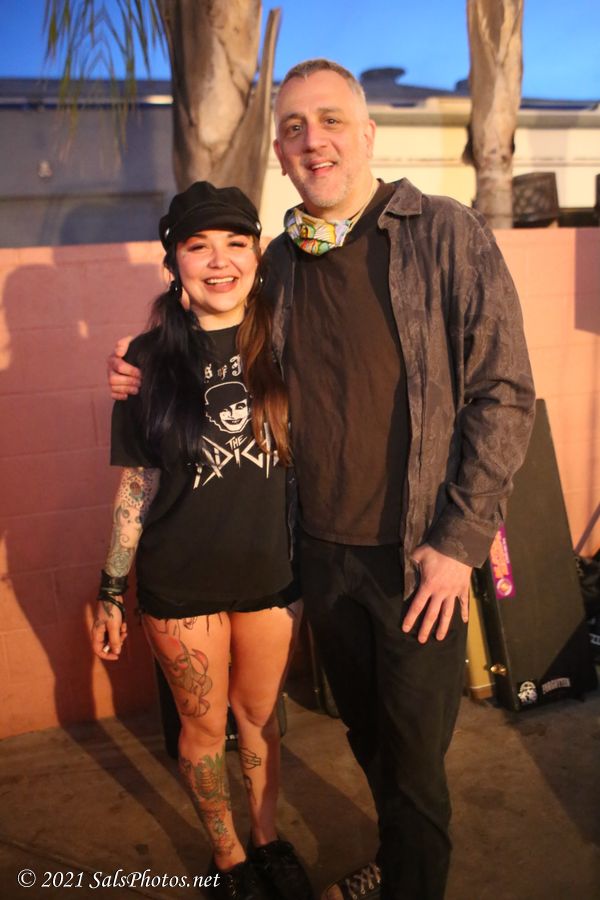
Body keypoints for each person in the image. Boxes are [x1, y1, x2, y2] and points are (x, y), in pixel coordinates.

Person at [108, 61, 535, 900]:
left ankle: (411, 879)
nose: (315, 140)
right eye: (295, 127)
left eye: (332, 120)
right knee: (366, 736)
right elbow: (213, 325)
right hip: (319, 555)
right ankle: (399, 859)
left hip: (419, 557)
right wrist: (139, 359)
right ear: (279, 151)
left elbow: (505, 392)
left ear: (367, 133)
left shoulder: (443, 233)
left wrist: (459, 543)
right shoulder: (282, 263)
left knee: (416, 761)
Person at [93, 181, 314, 900]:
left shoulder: (290, 341)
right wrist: (110, 590)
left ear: (257, 255)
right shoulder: (145, 361)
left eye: (235, 243)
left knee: (260, 721)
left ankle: (267, 840)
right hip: (179, 583)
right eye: (198, 247)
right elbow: (137, 486)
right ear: (174, 263)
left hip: (271, 575)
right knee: (204, 729)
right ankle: (230, 860)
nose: (219, 261)